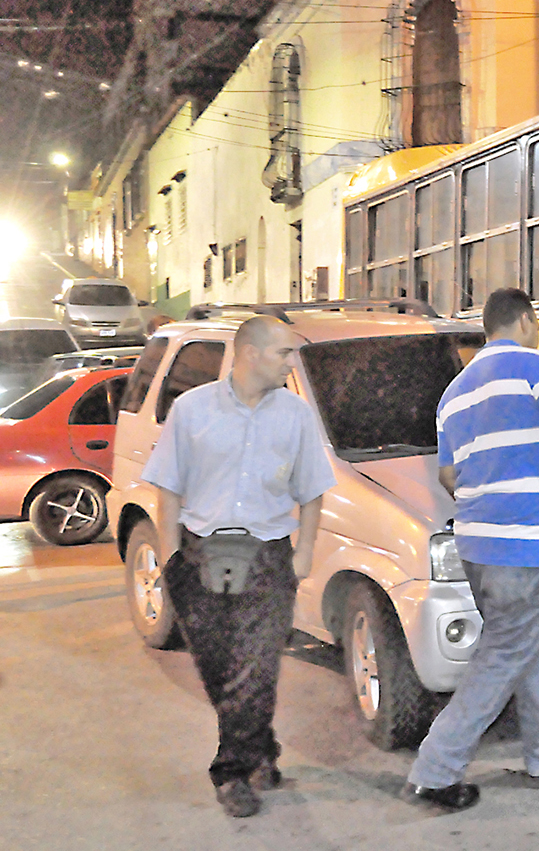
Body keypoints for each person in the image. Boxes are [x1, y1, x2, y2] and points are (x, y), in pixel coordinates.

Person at [401, 288, 539, 812]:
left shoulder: (454, 393)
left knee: (527, 641)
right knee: (507, 650)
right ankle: (435, 770)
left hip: (477, 544)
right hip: (527, 541)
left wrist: (486, 497)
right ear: (527, 320)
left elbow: (448, 474)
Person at [142, 314, 336, 818]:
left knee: (256, 667)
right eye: (283, 353)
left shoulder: (294, 415)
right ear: (249, 353)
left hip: (268, 555)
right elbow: (167, 485)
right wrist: (170, 557)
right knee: (218, 668)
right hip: (199, 551)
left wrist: (305, 551)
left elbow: (312, 489)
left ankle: (230, 772)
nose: (290, 362)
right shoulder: (191, 409)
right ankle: (261, 750)